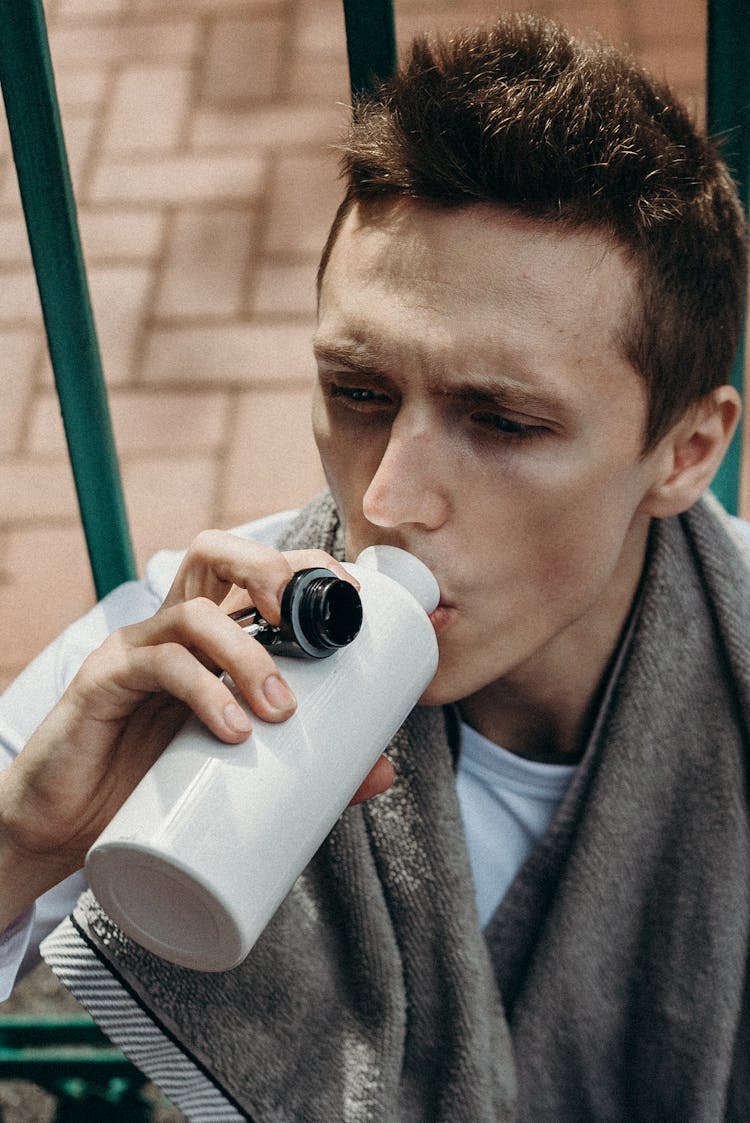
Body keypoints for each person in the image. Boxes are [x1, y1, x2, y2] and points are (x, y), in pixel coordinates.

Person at [1, 12, 749, 1121]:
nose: (387, 503)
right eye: (358, 392)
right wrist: (25, 842)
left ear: (685, 453)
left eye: (501, 421)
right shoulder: (172, 658)